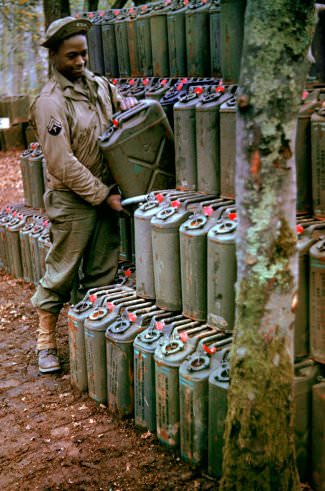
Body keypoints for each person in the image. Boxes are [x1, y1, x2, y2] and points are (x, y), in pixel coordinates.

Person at [30, 16, 137, 374]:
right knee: (62, 270)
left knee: (102, 273)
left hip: (107, 194)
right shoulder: (50, 102)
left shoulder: (101, 87)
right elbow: (62, 162)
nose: (79, 62)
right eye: (71, 56)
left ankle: (92, 346)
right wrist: (102, 194)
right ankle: (46, 341)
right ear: (55, 58)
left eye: (83, 54)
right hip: (73, 200)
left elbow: (124, 112)